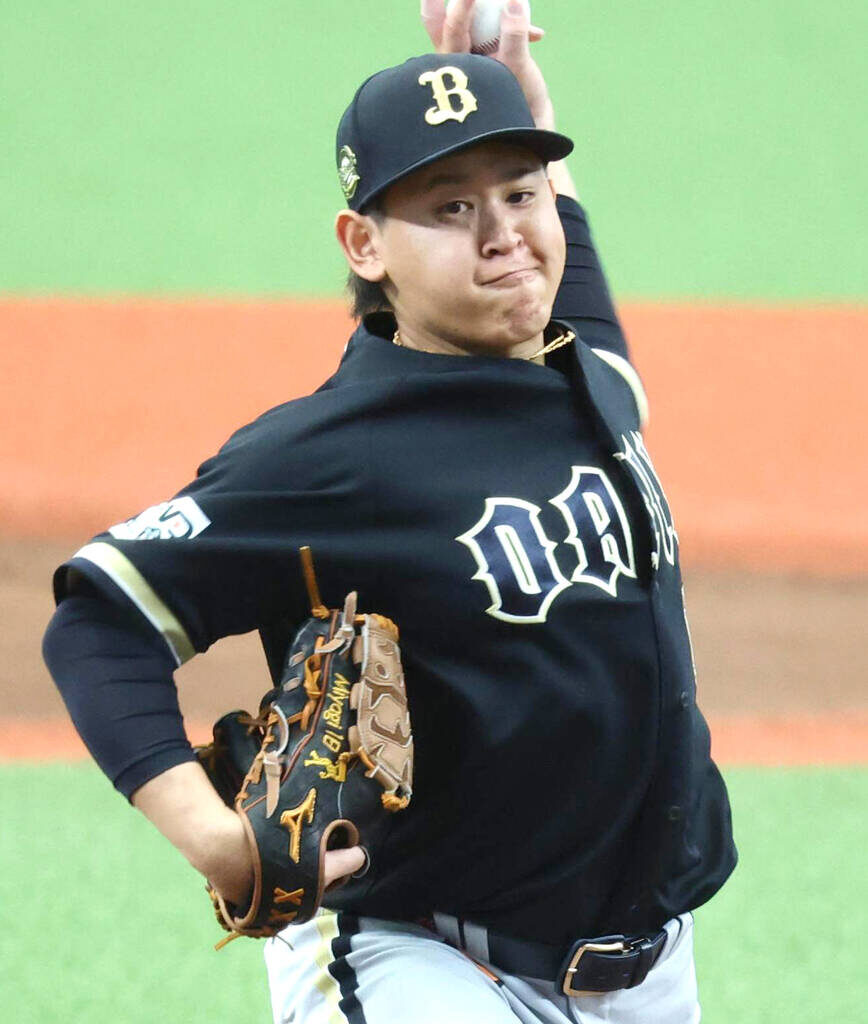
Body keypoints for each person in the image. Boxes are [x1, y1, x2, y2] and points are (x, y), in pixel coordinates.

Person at [42, 2, 736, 1021]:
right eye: (450, 208)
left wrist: (520, 93)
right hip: (426, 959)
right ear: (363, 243)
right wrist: (211, 833)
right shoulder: (332, 454)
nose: (503, 234)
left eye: (520, 193)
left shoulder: (577, 379)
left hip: (649, 965)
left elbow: (559, 270)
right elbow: (99, 618)